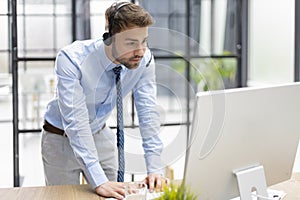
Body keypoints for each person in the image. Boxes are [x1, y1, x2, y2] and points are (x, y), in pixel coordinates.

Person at [41, 1, 169, 199]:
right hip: (60, 138)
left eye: (144, 41)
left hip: (100, 133)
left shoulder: (144, 61)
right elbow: (76, 122)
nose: (141, 51)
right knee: (65, 197)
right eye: (131, 43)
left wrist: (155, 169)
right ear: (109, 39)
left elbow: (148, 113)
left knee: (114, 195)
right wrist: (98, 180)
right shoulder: (72, 59)